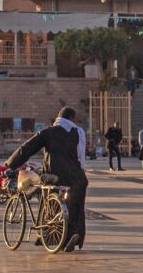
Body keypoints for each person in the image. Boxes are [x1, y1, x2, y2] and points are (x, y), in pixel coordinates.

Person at [5, 107, 88, 251]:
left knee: (47, 200)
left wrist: (11, 163)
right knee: (76, 206)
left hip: (54, 174)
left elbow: (28, 148)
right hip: (77, 176)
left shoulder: (48, 132)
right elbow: (81, 157)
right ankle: (73, 234)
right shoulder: (78, 133)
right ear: (72, 118)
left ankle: (47, 235)